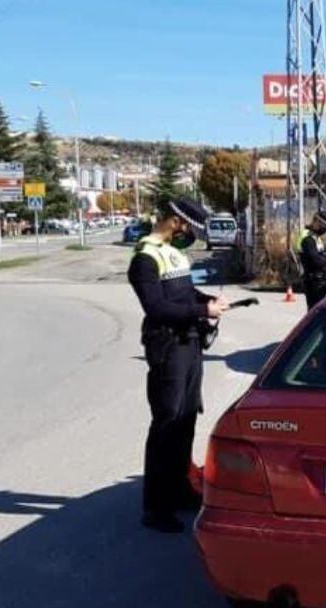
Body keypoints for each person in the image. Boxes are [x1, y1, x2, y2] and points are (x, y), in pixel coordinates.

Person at [127, 198, 228, 533]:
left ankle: (181, 490)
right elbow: (156, 308)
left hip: (189, 344)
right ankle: (155, 506)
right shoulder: (144, 258)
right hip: (167, 346)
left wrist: (207, 302)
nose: (190, 233)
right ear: (174, 221)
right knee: (166, 424)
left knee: (186, 420)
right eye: (187, 226)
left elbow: (184, 293)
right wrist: (202, 312)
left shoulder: (174, 253)